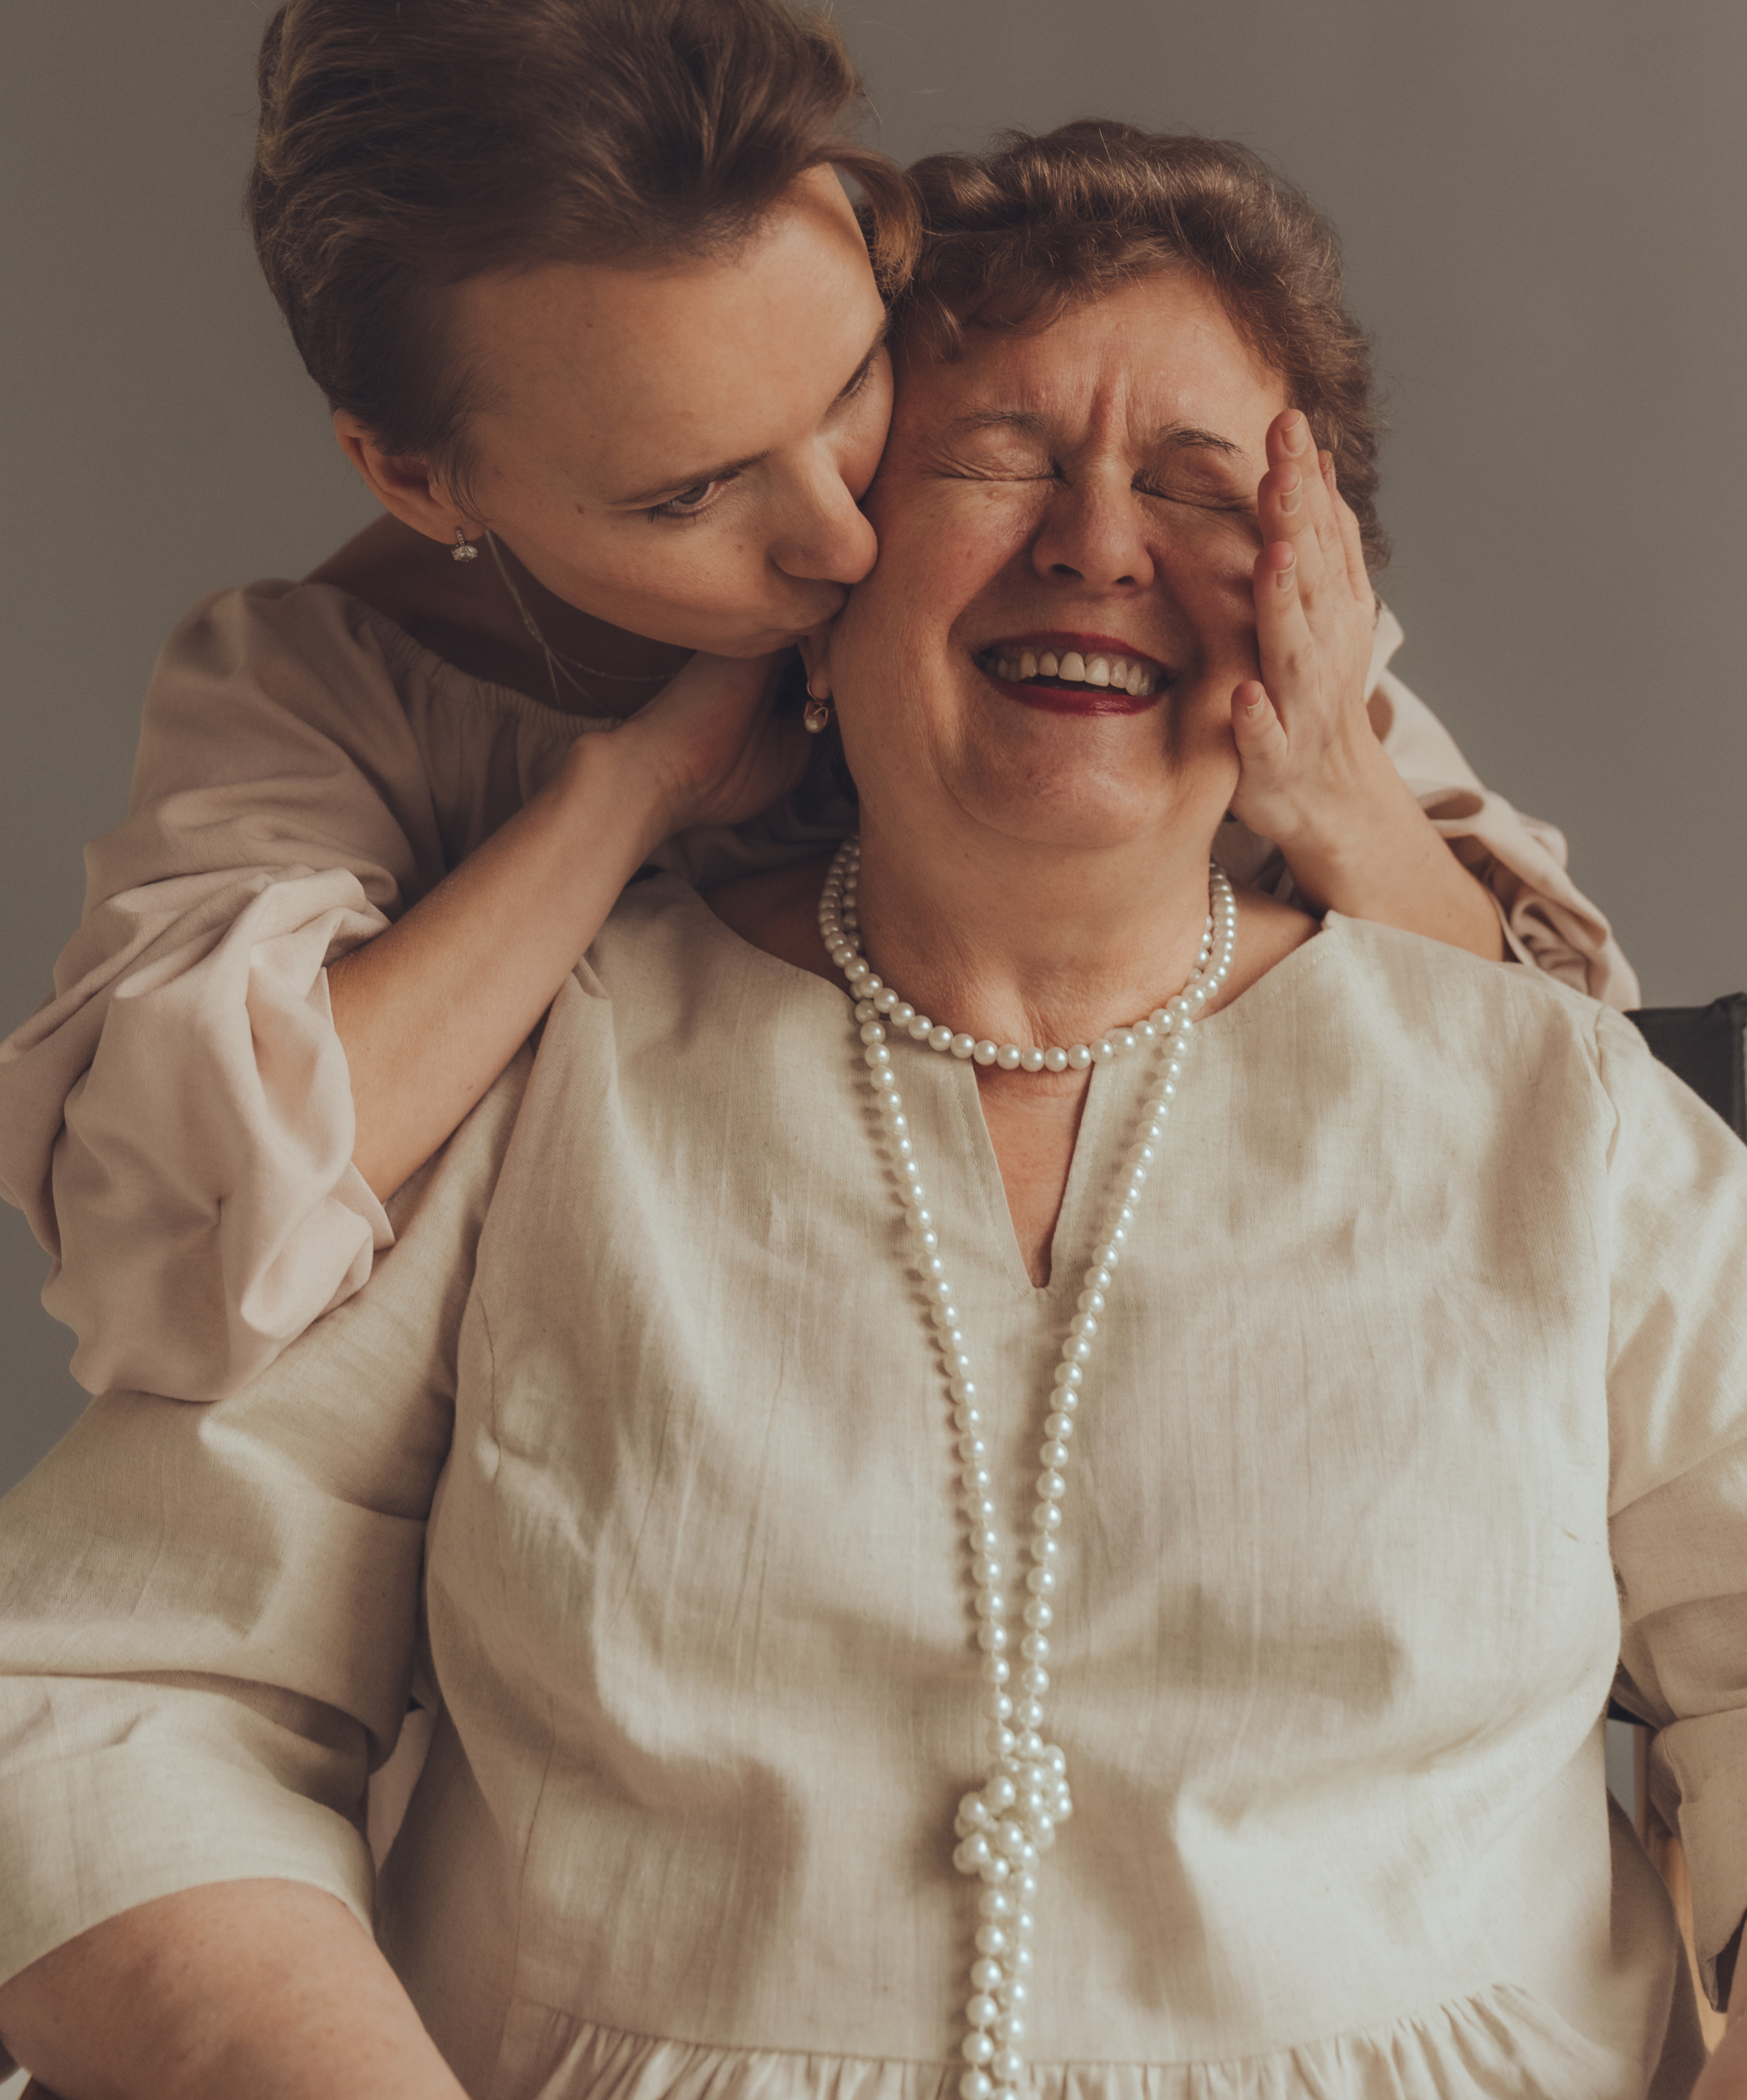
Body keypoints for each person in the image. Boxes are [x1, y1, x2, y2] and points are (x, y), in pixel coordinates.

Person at [0, 122, 1737, 2100]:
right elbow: (117, 1692)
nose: (1098, 542)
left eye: (1196, 483)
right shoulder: (531, 1070)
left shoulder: (1557, 1106)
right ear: (817, 575)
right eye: (997, 459)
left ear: (1318, 599)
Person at [0, 1, 1634, 1409]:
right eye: (688, 493)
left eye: (854, 383)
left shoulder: (1050, 498)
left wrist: (1330, 794)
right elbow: (175, 1250)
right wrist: (627, 792)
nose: (846, 540)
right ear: (418, 476)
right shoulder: (323, 691)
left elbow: (1590, 1108)